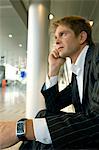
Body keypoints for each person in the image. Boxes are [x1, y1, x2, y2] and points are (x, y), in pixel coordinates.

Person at [0, 15, 99, 149]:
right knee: (43, 115)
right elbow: (53, 107)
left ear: (82, 37)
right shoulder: (78, 73)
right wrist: (53, 69)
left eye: (63, 34)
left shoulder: (96, 57)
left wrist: (25, 129)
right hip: (89, 135)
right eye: (56, 37)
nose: (57, 41)